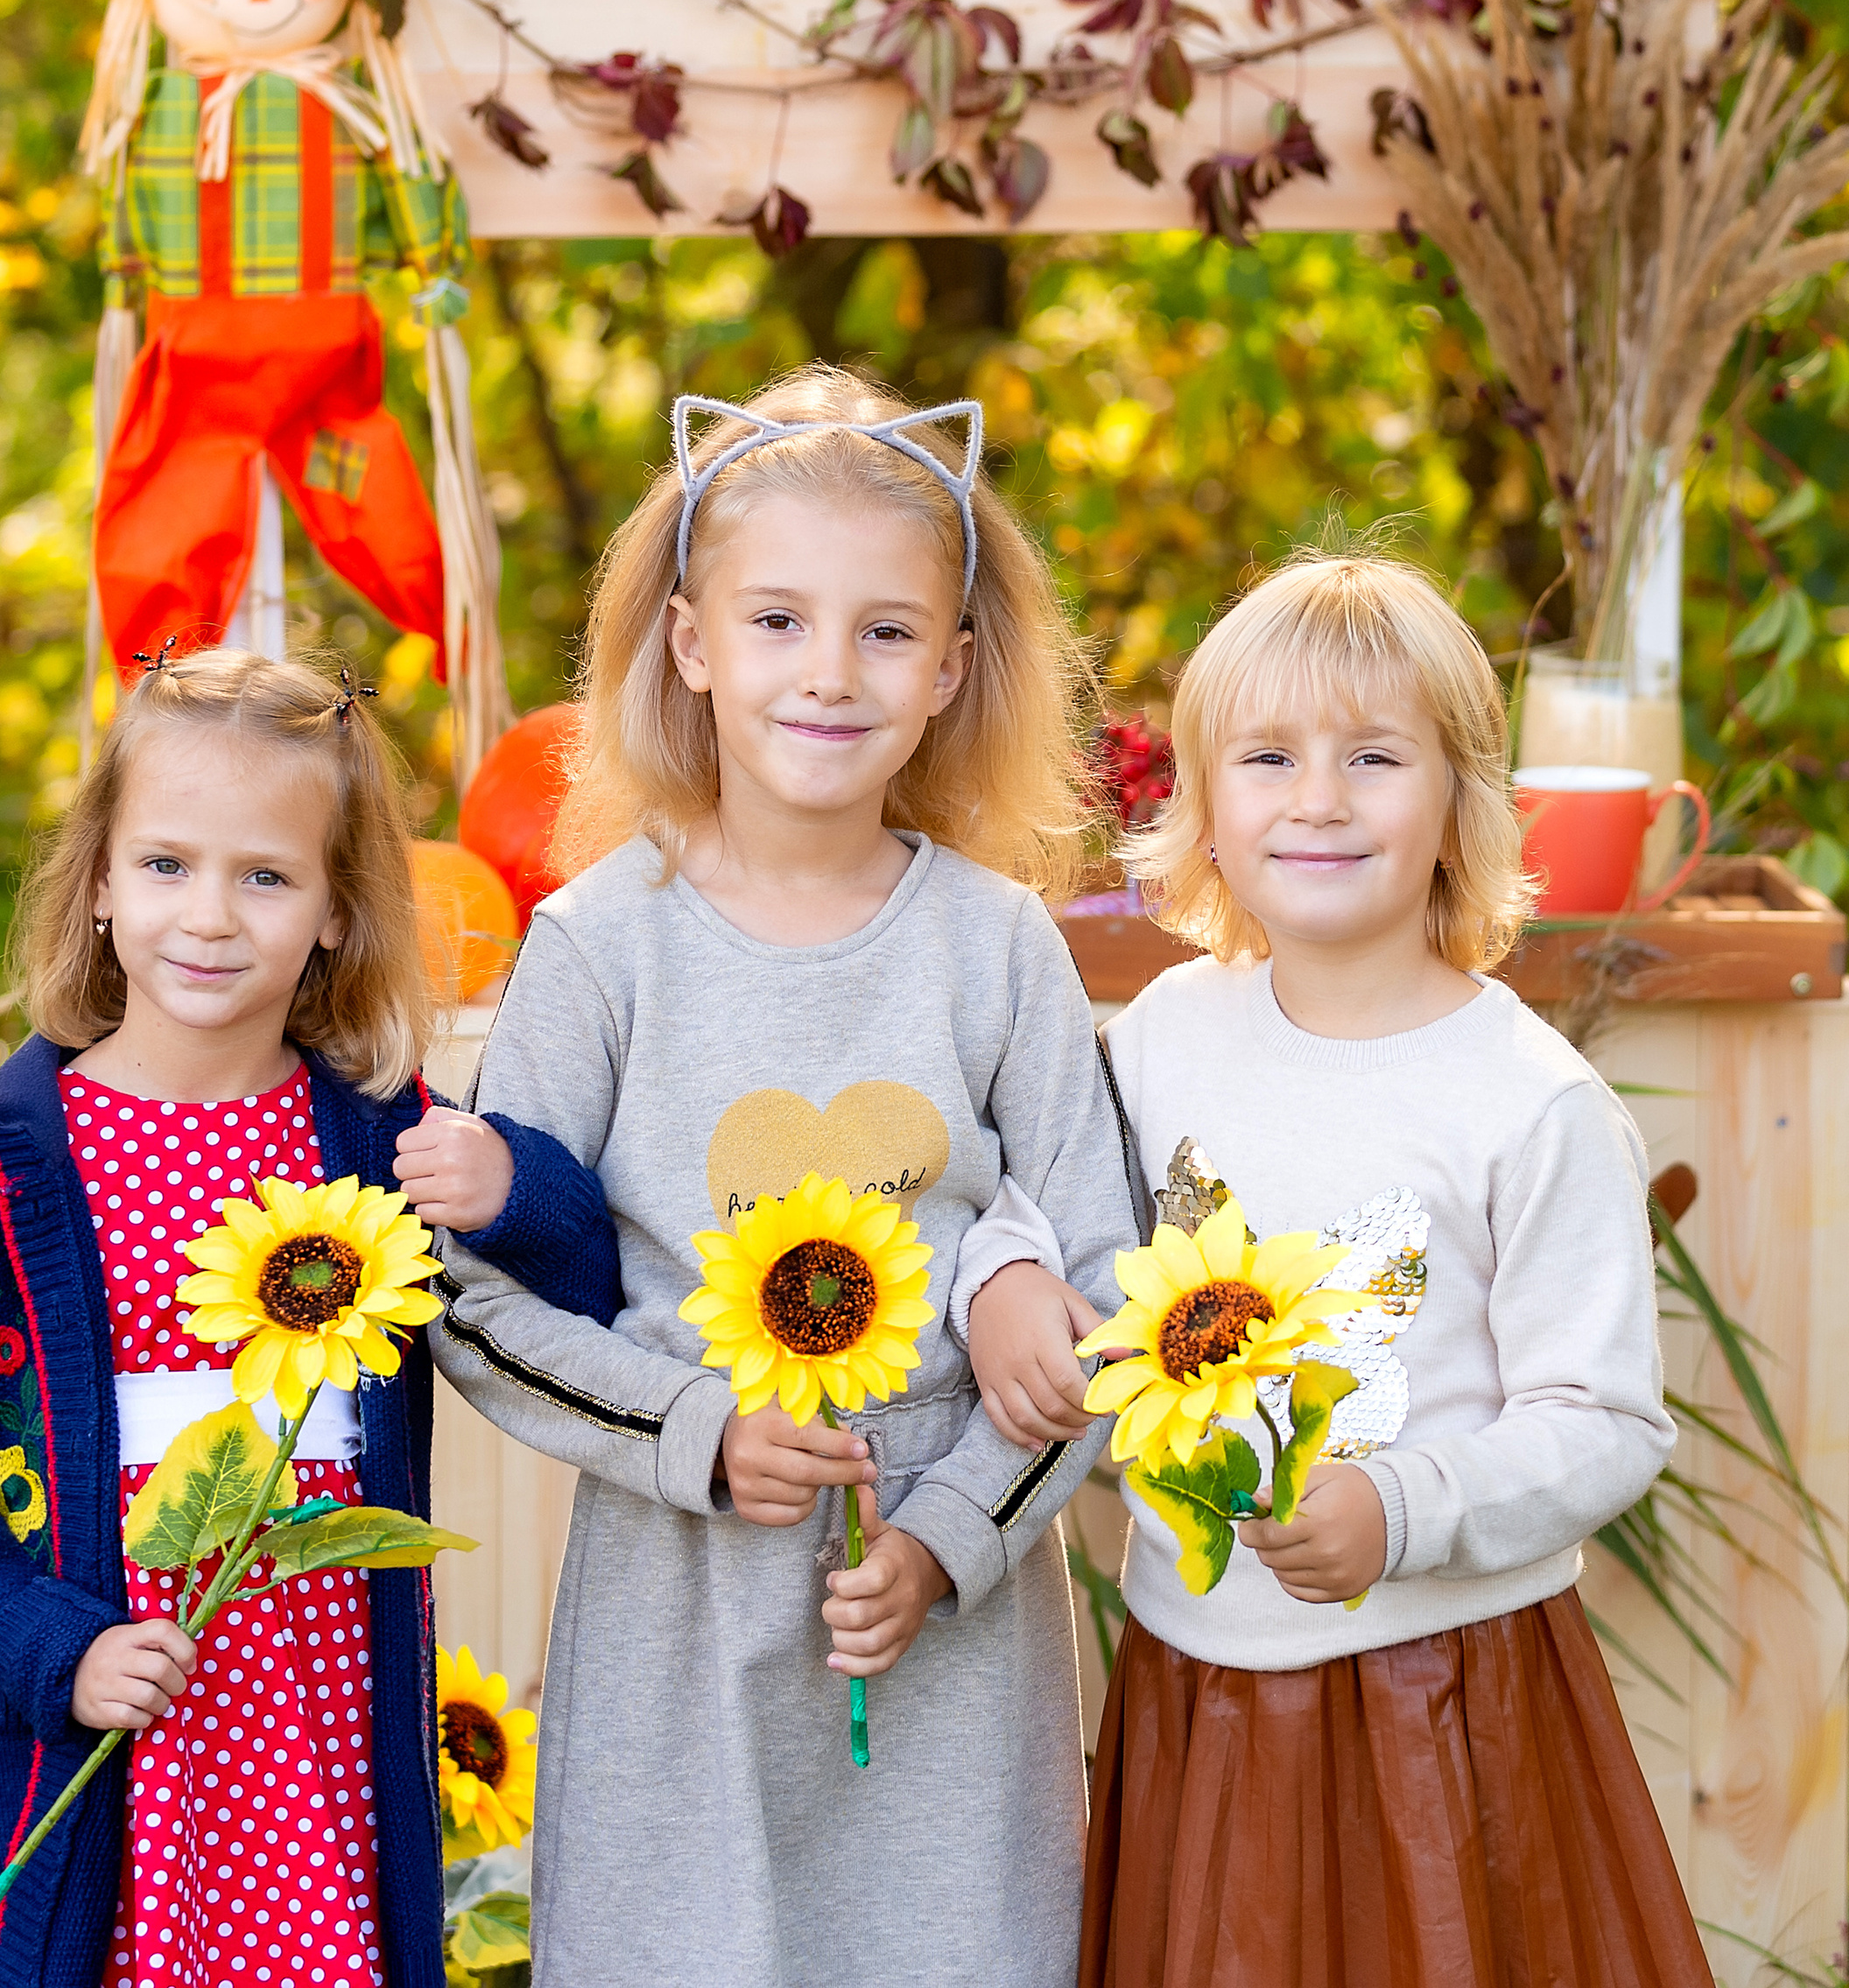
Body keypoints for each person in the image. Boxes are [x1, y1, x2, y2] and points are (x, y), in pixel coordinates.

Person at [430, 365, 1138, 1988]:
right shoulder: (599, 946)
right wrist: (694, 1431)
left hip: (950, 1615)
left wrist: (949, 1533)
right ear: (691, 644)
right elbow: (465, 1295)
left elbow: (1110, 1301)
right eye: (776, 622)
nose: (829, 671)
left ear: (952, 669)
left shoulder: (998, 948)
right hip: (680, 1591)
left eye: (886, 631)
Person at [0, 650, 614, 1988]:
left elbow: (588, 1292)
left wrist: (515, 1188)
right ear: (97, 881)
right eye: (166, 865)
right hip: (117, 1704)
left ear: (336, 909)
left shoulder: (380, 1149)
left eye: (265, 877)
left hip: (318, 1709)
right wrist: (50, 1645)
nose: (209, 915)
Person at [1075, 548, 1712, 1987]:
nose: (1318, 798)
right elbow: (1054, 1226)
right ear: (1204, 805)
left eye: (1373, 756)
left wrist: (1400, 1507)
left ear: (1458, 803)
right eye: (1268, 757)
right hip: (1195, 1675)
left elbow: (1606, 1421)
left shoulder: (1528, 1103)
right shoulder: (1162, 1037)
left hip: (1447, 1701)